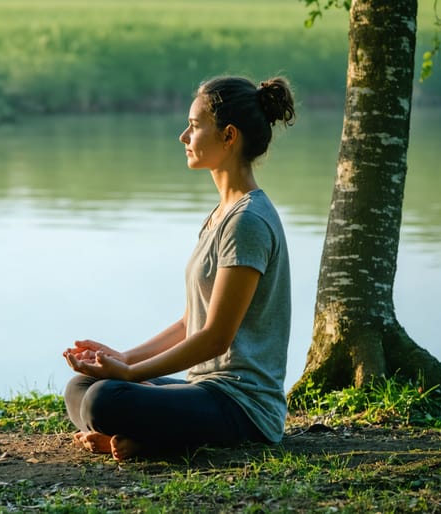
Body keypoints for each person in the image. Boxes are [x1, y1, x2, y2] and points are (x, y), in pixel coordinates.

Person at [63, 75, 295, 461]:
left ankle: (149, 440)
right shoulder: (221, 216)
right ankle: (145, 437)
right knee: (83, 386)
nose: (183, 136)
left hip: (243, 406)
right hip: (205, 391)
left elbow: (215, 339)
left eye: (195, 125)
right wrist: (122, 359)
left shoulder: (248, 221)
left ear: (229, 136)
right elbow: (193, 321)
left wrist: (129, 376)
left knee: (105, 399)